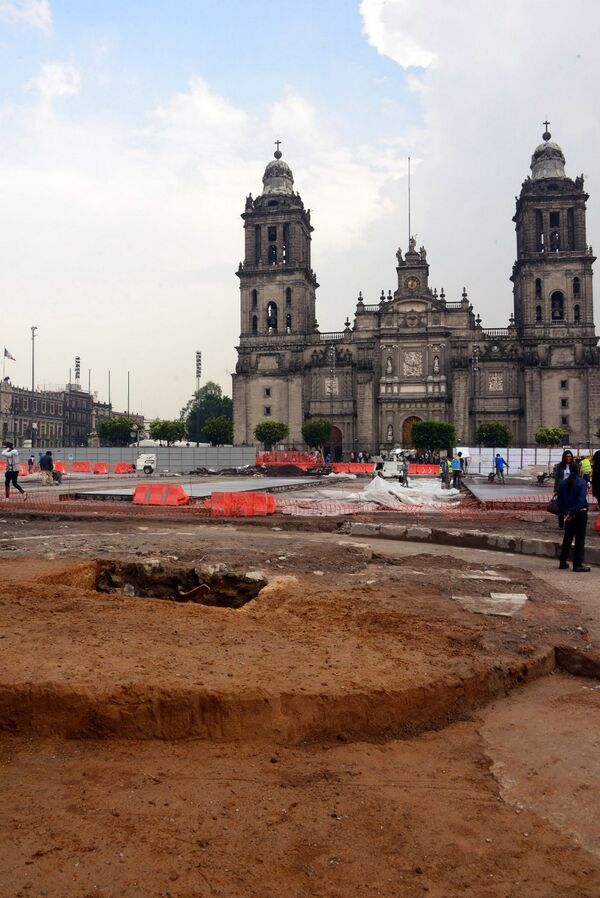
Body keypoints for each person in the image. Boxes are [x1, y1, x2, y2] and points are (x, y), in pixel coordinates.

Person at [557, 461, 590, 572]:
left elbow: (559, 502)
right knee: (580, 539)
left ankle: (562, 561)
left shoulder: (563, 483)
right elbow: (581, 501)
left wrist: (567, 513)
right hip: (580, 513)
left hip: (568, 514)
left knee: (568, 537)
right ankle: (577, 564)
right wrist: (572, 513)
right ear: (579, 470)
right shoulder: (582, 483)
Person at [553, 449, 574, 531]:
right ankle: (561, 524)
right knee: (561, 506)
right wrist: (555, 489)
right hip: (561, 488)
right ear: (564, 457)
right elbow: (557, 478)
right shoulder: (560, 466)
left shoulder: (573, 465)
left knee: (570, 506)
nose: (568, 458)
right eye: (567, 456)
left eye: (570, 456)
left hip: (571, 488)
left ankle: (569, 523)